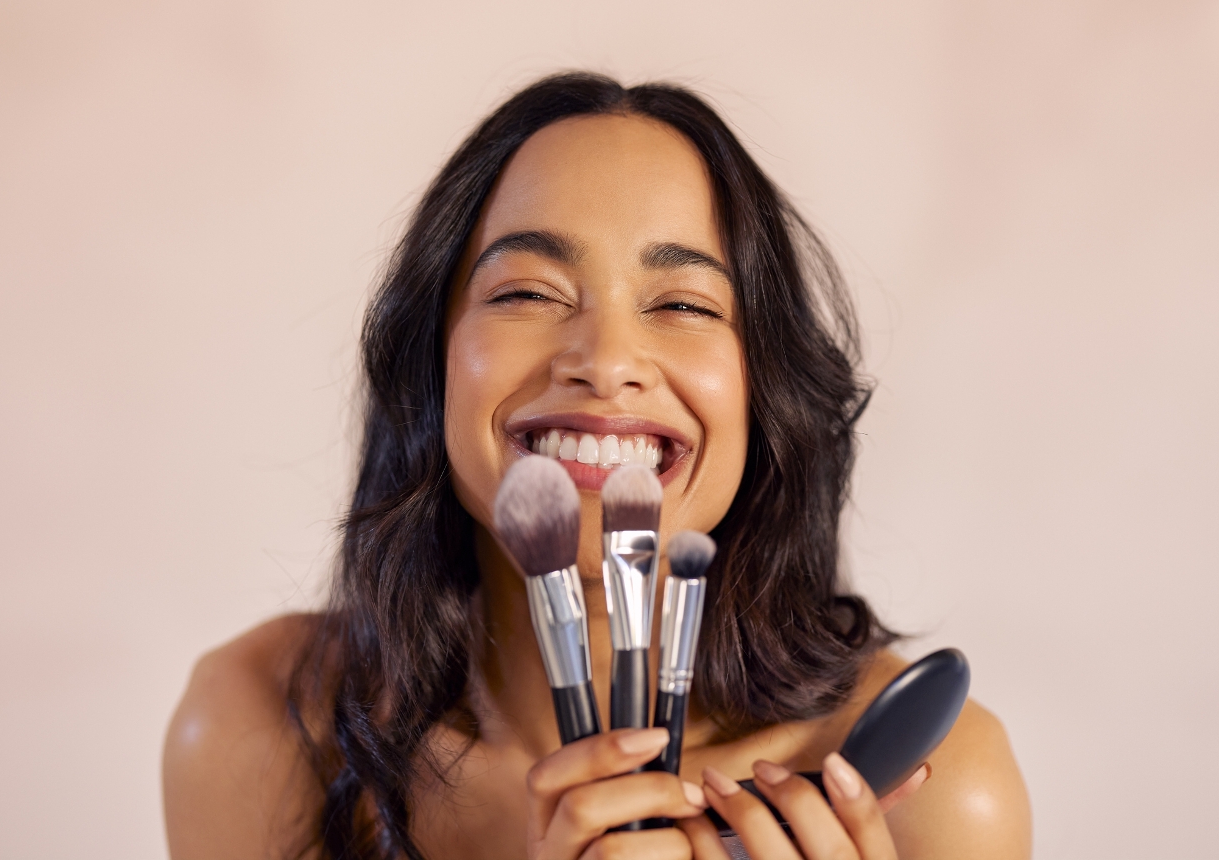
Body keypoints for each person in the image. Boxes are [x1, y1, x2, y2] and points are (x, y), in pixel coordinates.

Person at [162, 72, 1030, 860]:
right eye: (527, 292)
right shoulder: (262, 727)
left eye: (683, 304)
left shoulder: (934, 792)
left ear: (766, 389)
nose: (606, 361)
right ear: (432, 361)